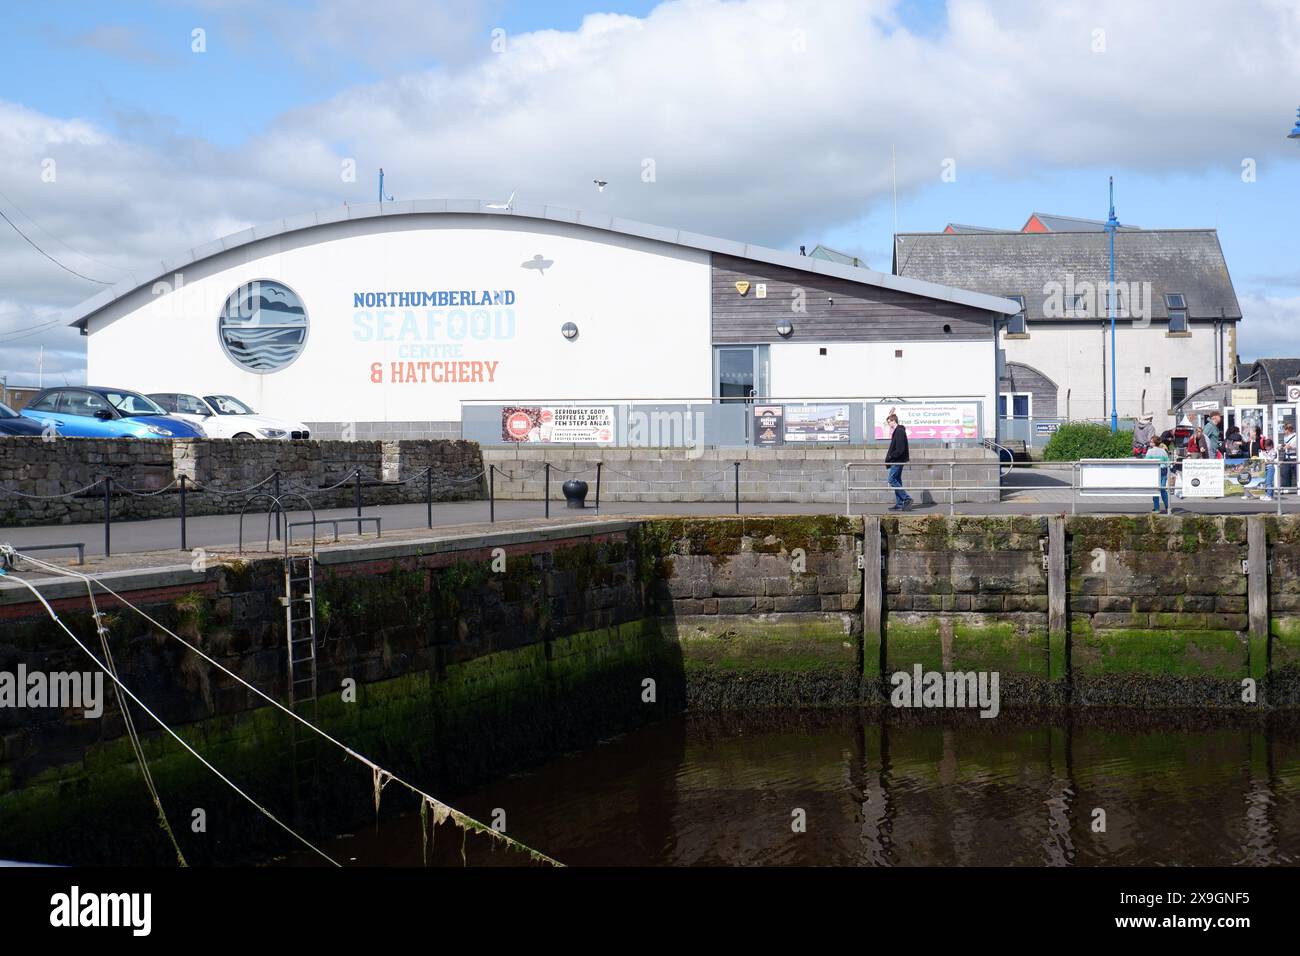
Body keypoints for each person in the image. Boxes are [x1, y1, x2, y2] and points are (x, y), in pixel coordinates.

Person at [884, 413, 912, 512]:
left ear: (893, 421)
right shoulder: (898, 431)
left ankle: (906, 498)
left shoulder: (899, 431)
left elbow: (900, 449)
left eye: (889, 422)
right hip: (898, 460)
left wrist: (892, 456)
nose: (889, 425)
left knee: (891, 480)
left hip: (897, 460)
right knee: (897, 480)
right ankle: (900, 503)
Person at [1146, 438, 1170, 513]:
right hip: (1163, 470)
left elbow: (1146, 461)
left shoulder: (1150, 451)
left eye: (1151, 441)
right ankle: (1167, 506)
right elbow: (1167, 461)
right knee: (1162, 489)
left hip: (1155, 471)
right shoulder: (1163, 451)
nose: (1150, 443)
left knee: (1155, 490)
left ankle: (1156, 508)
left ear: (1154, 443)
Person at [1281, 422, 1297, 496]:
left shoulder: (1296, 436)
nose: (1284, 431)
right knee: (1284, 473)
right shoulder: (1285, 437)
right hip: (1286, 457)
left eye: (1285, 429)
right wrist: (1282, 447)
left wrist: (1291, 447)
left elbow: (1297, 447)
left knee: (1296, 474)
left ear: (1288, 430)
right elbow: (1285, 446)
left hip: (1294, 457)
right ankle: (1283, 489)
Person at [1261, 437, 1277, 502]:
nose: (1266, 448)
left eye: (1267, 446)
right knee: (1266, 482)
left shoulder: (1273, 451)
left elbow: (1271, 459)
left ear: (1271, 446)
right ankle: (1269, 494)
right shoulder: (1267, 451)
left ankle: (1269, 495)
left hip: (1270, 468)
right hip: (1266, 468)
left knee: (1269, 482)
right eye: (1265, 446)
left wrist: (1265, 455)